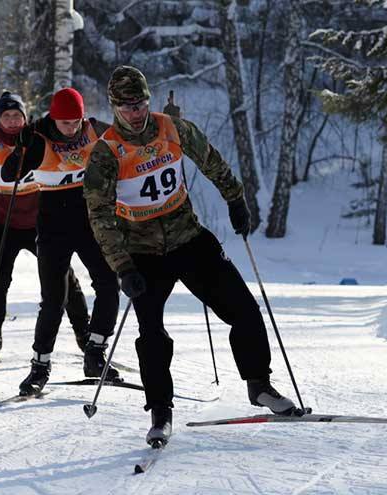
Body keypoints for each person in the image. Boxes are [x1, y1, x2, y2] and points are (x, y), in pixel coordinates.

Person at [83, 66, 300, 446]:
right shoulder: (106, 152)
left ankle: (259, 384)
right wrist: (122, 267)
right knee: (151, 333)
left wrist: (235, 199)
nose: (135, 112)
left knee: (244, 309)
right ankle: (160, 411)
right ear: (114, 107)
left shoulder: (173, 129)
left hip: (189, 238)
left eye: (140, 103)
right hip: (143, 251)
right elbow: (99, 216)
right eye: (126, 106)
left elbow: (211, 160)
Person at [0, 92, 91, 362]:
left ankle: (84, 334)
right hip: (5, 225)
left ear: (25, 117)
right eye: (6, 116)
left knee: (65, 278)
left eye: (17, 115)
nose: (13, 121)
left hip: (41, 223)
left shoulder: (38, 138)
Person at [2, 87, 121, 396]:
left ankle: (95, 353)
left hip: (88, 219)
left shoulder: (94, 128)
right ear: (54, 118)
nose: (72, 128)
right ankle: (39, 368)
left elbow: (131, 141)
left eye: (76, 121)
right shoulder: (39, 138)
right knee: (54, 299)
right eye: (65, 123)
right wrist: (20, 152)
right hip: (54, 225)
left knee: (109, 282)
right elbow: (8, 174)